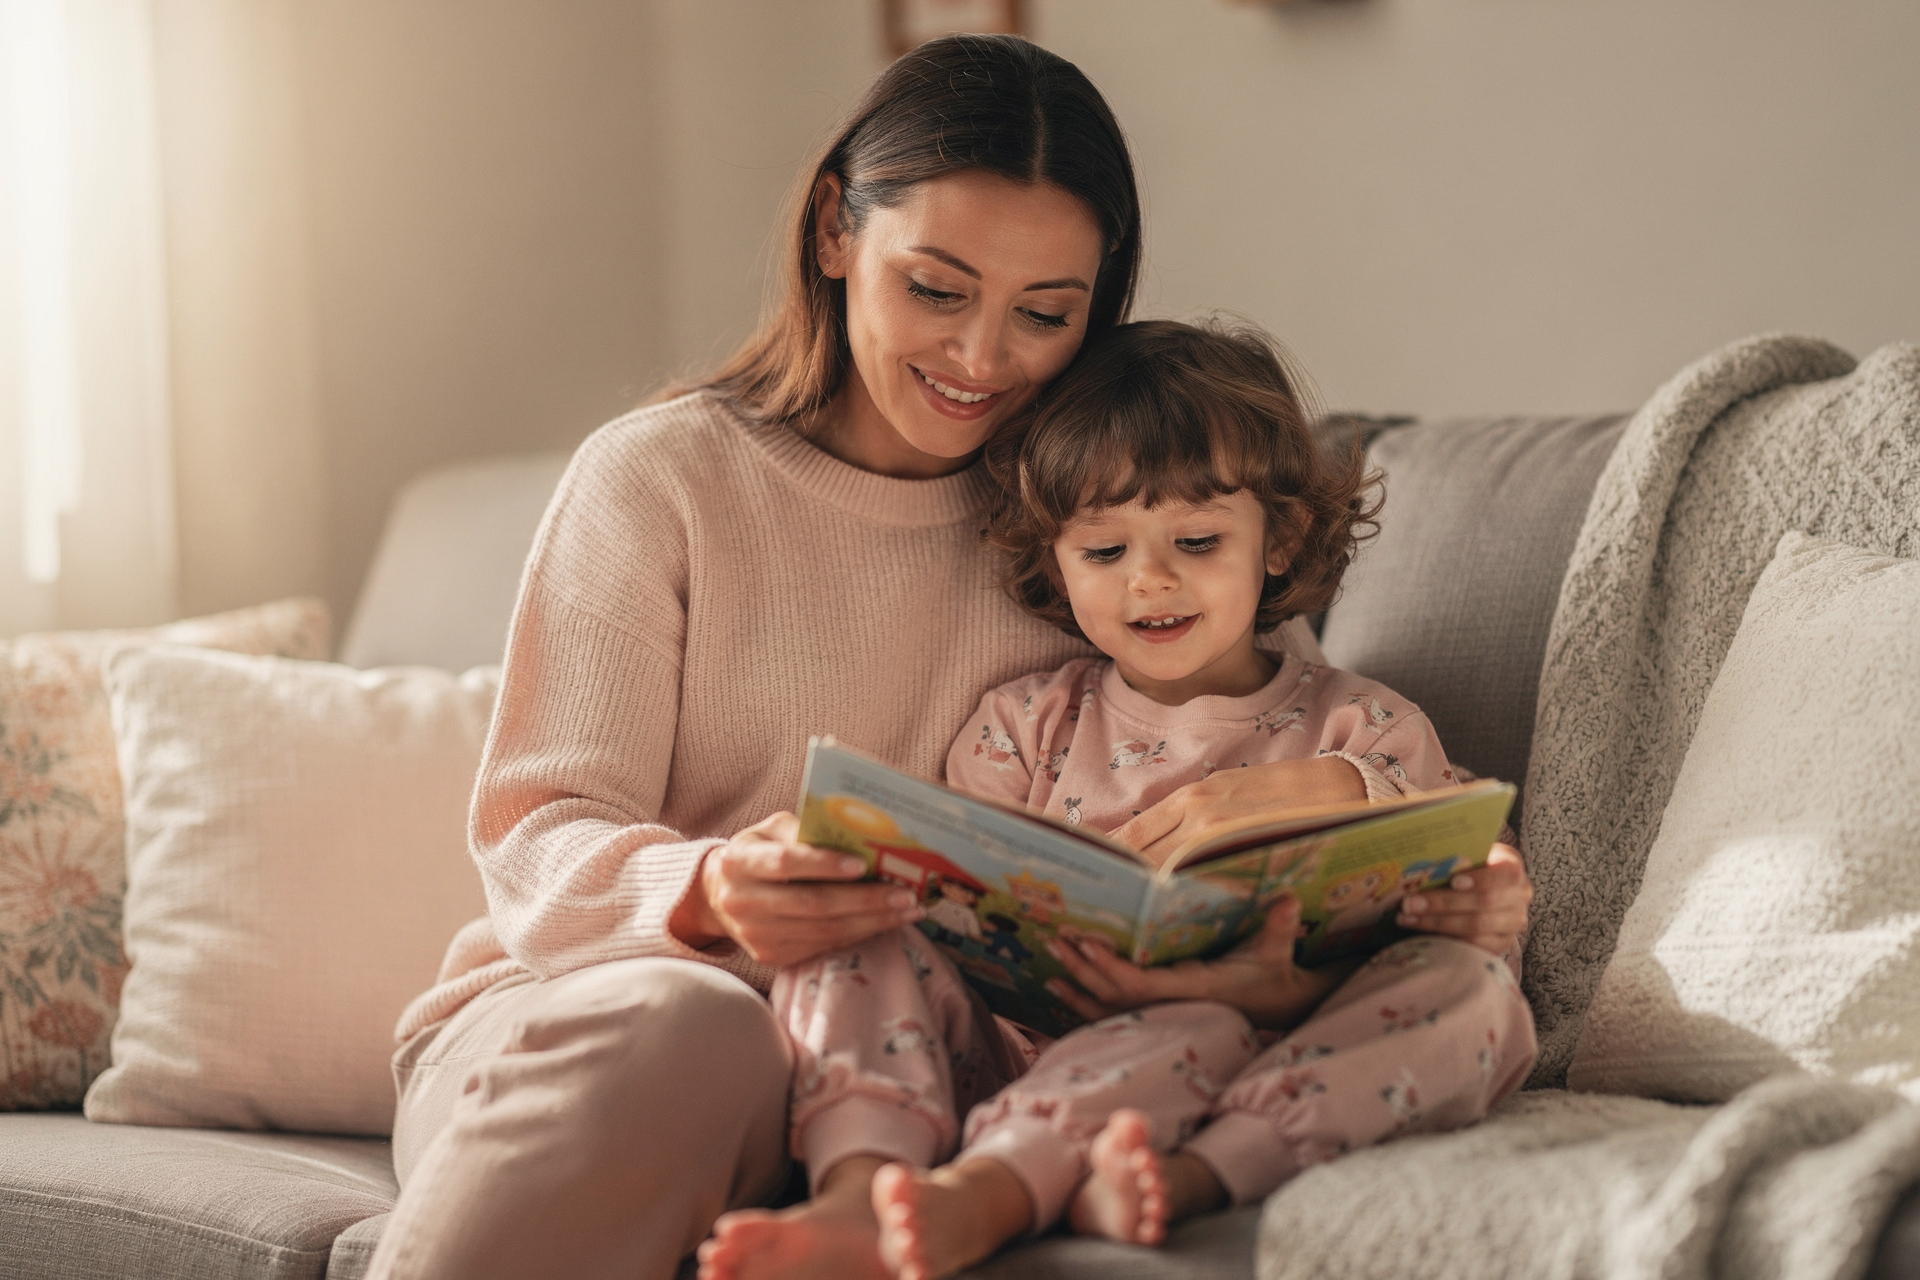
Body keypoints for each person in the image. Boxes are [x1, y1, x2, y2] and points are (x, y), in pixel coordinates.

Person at [366, 35, 1534, 1280]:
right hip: (604, 1011)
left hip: (946, 1066)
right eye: (936, 289)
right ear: (834, 231)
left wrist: (1294, 955)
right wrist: (706, 890)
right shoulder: (660, 480)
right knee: (694, 1025)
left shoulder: (1092, 516)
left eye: (1045, 314)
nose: (984, 359)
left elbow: (1269, 767)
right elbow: (535, 834)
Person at [695, 320, 1537, 1280]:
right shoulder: (1022, 724)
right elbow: (945, 923)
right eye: (1104, 552)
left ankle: (1110, 1185)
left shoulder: (1366, 731)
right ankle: (860, 1193)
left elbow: (1472, 909)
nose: (1151, 579)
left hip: (1244, 1049)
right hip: (1014, 1048)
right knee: (850, 926)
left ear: (1281, 538)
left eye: (1196, 539)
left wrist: (1485, 904)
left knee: (1473, 996)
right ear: (1053, 557)